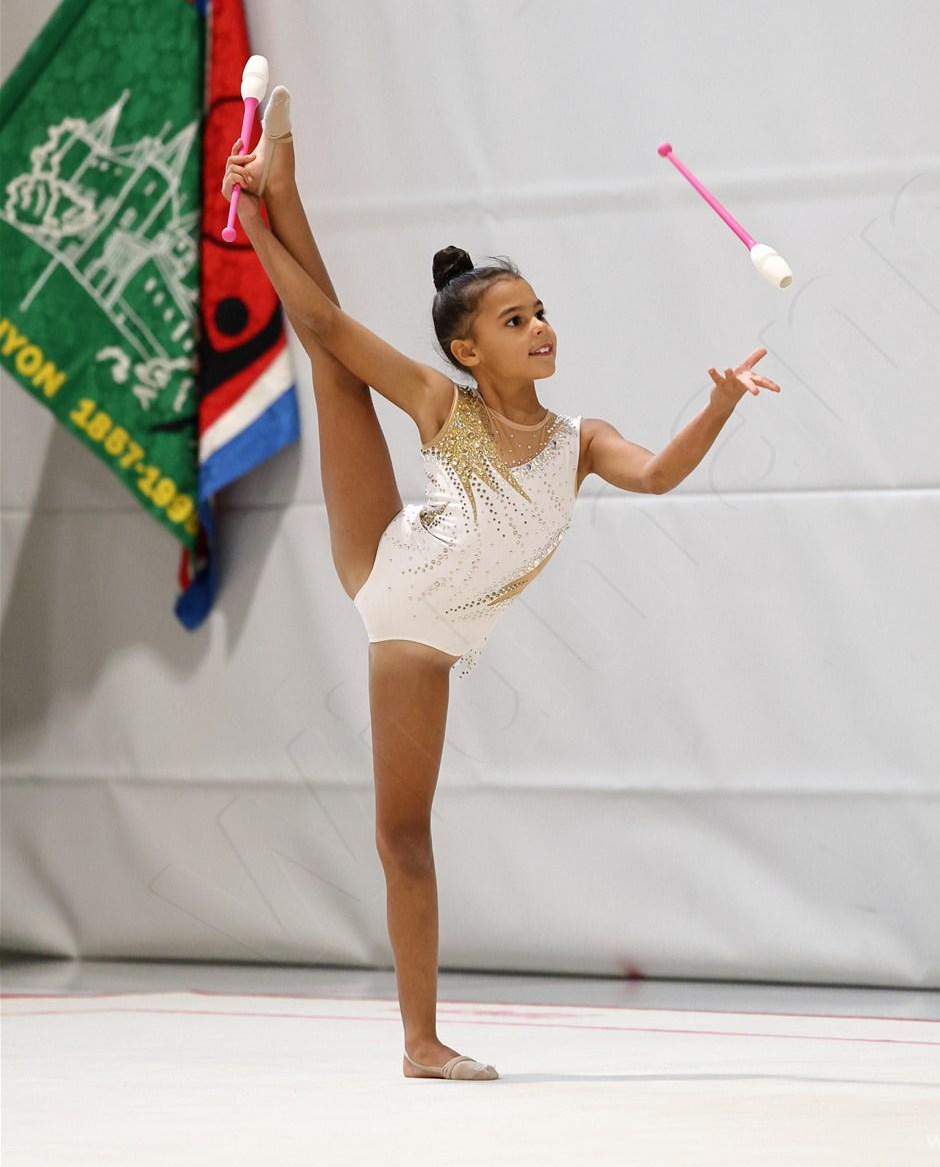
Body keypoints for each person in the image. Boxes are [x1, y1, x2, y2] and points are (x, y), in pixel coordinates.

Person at [221, 87, 780, 1081]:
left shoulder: (582, 440)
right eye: (516, 320)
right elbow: (325, 321)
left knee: (405, 836)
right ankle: (421, 1043)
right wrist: (254, 228)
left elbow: (659, 475)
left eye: (542, 312)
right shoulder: (445, 404)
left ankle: (279, 185)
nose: (541, 327)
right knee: (333, 358)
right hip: (395, 583)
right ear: (468, 349)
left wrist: (719, 405)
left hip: (442, 637)